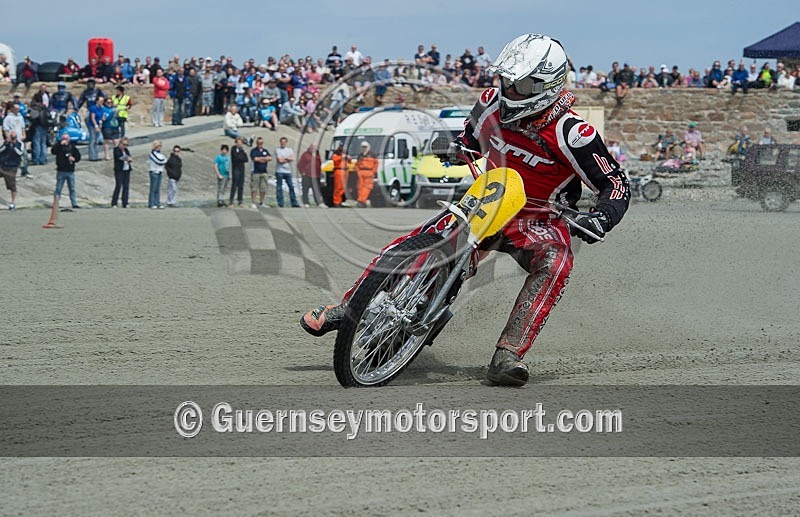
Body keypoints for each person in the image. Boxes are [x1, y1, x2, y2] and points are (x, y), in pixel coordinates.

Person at [300, 34, 630, 387]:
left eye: (519, 85)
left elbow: (616, 183)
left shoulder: (572, 133)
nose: (508, 90)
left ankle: (508, 355)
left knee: (556, 262)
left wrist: (602, 216)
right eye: (506, 80)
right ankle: (350, 308)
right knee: (420, 242)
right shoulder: (489, 102)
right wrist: (455, 148)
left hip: (541, 216)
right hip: (490, 197)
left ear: (545, 86)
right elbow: (469, 139)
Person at [51, 132, 82, 209]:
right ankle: (56, 203)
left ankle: (74, 203)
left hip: (70, 171)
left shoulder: (72, 147)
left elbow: (78, 157)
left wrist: (74, 159)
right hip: (61, 171)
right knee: (58, 188)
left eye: (66, 138)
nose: (65, 140)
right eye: (63, 138)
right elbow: (53, 151)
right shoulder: (58, 147)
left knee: (72, 188)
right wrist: (59, 144)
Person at [0, 130, 24, 209]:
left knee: (12, 185)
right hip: (2, 165)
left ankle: (13, 202)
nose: (12, 138)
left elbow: (20, 153)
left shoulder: (20, 144)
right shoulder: (6, 143)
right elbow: (1, 150)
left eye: (14, 137)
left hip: (12, 167)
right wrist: (6, 144)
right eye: (11, 137)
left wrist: (14, 145)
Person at [274, 137, 299, 208]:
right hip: (279, 171)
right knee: (279, 187)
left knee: (291, 186)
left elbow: (293, 158)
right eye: (282, 142)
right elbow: (280, 161)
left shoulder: (289, 150)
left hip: (288, 171)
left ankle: (294, 202)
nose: (283, 143)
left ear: (286, 143)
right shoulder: (277, 150)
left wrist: (285, 159)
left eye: (284, 142)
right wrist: (288, 159)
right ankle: (280, 203)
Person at [297, 142, 324, 207]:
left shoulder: (317, 155)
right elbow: (300, 164)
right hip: (307, 175)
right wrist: (302, 172)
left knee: (316, 190)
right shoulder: (305, 154)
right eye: (312, 147)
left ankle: (319, 203)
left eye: (315, 147)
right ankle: (306, 203)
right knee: (305, 190)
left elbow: (319, 164)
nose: (313, 148)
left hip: (316, 175)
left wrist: (320, 173)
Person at [354, 141, 378, 207]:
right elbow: (356, 165)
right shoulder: (360, 155)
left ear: (368, 147)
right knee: (360, 187)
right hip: (361, 172)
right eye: (362, 147)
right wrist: (358, 171)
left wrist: (373, 172)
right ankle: (361, 201)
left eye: (365, 147)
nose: (364, 148)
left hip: (369, 172)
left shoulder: (373, 155)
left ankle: (361, 201)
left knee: (367, 188)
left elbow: (376, 164)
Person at [249, 137, 272, 207]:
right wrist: (264, 158)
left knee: (263, 188)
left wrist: (261, 158)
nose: (260, 144)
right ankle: (253, 202)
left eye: (261, 143)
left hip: (264, 172)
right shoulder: (254, 150)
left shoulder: (265, 150)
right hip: (256, 172)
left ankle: (262, 202)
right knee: (254, 188)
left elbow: (270, 158)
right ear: (256, 143)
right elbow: (255, 159)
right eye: (259, 143)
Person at [112, 137, 133, 208]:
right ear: (120, 144)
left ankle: (125, 202)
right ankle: (114, 203)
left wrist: (129, 159)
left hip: (126, 170)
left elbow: (130, 157)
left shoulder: (126, 150)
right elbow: (119, 157)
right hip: (119, 170)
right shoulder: (116, 150)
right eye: (124, 144)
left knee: (126, 187)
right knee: (118, 186)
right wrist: (127, 158)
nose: (125, 146)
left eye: (126, 145)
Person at [331, 141, 351, 208]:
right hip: (339, 170)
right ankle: (336, 202)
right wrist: (343, 157)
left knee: (343, 187)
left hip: (345, 170)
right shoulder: (336, 153)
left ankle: (340, 201)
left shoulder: (346, 153)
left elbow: (349, 162)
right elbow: (335, 159)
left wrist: (349, 158)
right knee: (338, 187)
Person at [229, 137, 248, 207]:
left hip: (241, 168)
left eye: (241, 142)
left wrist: (241, 157)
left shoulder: (242, 149)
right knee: (234, 185)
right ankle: (231, 201)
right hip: (235, 168)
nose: (239, 144)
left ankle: (240, 200)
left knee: (241, 185)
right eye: (238, 142)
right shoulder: (233, 148)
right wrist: (241, 157)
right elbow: (235, 158)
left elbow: (246, 159)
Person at [148, 140, 167, 208]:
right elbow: (158, 161)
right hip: (154, 171)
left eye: (160, 146)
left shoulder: (161, 154)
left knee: (157, 188)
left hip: (159, 171)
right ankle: (152, 203)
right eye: (158, 146)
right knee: (153, 188)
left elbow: (165, 160)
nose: (159, 147)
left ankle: (157, 203)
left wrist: (162, 161)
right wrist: (162, 161)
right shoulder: (152, 153)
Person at [87, 96, 105, 161]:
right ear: (97, 101)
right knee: (93, 140)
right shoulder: (93, 108)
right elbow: (92, 118)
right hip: (92, 125)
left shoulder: (102, 108)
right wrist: (96, 126)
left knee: (96, 141)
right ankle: (92, 156)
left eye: (102, 101)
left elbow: (101, 116)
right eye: (100, 101)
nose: (102, 102)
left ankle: (96, 155)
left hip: (99, 124)